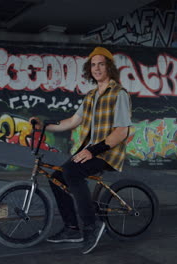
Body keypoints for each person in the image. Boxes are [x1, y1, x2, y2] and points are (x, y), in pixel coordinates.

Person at [30, 47, 132, 254]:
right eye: (93, 65)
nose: (97, 68)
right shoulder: (91, 96)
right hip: (91, 150)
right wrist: (44, 126)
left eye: (101, 64)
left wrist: (93, 151)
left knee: (72, 172)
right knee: (56, 178)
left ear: (109, 67)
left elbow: (122, 131)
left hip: (108, 152)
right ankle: (72, 228)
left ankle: (90, 227)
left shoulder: (119, 94)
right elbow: (72, 121)